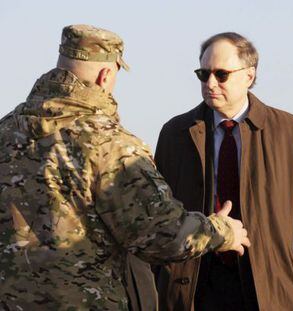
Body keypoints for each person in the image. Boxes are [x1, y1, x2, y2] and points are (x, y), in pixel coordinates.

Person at [0, 25, 250, 311]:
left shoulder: (6, 131)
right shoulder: (111, 145)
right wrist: (222, 231)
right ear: (106, 74)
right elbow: (160, 234)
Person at [154, 32, 293, 311]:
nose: (210, 83)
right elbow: (157, 215)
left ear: (249, 76)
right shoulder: (175, 133)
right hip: (195, 286)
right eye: (203, 74)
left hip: (269, 289)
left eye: (221, 74)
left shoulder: (292, 132)